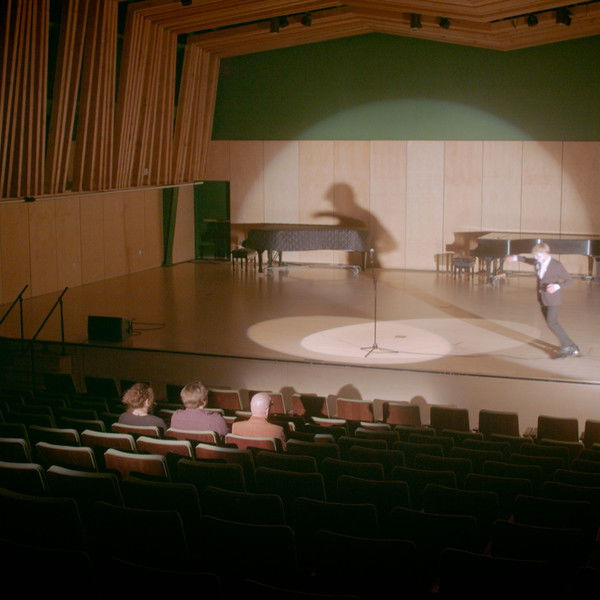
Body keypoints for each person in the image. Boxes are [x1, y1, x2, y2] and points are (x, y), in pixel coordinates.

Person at [507, 242, 580, 359]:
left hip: (553, 299)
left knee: (552, 323)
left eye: (538, 255)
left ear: (546, 253)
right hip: (542, 298)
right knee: (551, 323)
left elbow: (569, 280)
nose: (536, 258)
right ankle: (570, 346)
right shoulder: (538, 261)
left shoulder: (556, 265)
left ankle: (569, 346)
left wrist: (557, 286)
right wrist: (515, 258)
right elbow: (527, 260)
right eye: (535, 255)